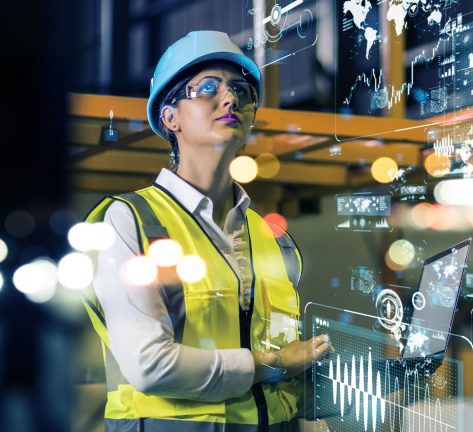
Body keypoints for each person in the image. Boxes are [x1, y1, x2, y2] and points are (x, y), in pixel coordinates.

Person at [82, 30, 332, 431]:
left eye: (241, 91)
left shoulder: (270, 238)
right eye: (208, 88)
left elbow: (284, 375)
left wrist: (371, 382)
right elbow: (150, 365)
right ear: (170, 116)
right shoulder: (131, 221)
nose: (230, 99)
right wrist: (275, 365)